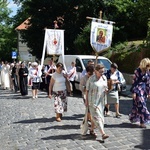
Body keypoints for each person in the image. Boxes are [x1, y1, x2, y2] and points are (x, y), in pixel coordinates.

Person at [85, 64, 109, 140]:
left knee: (95, 117)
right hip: (93, 101)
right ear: (95, 71)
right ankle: (103, 133)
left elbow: (106, 87)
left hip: (101, 101)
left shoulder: (104, 78)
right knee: (98, 117)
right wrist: (86, 101)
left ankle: (91, 130)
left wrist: (106, 90)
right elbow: (87, 90)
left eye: (103, 71)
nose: (102, 73)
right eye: (101, 71)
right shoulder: (91, 79)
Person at [129, 58, 150, 128]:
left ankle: (141, 122)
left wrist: (149, 92)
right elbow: (134, 82)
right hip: (138, 90)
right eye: (147, 65)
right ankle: (147, 116)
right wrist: (134, 92)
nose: (148, 66)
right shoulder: (137, 71)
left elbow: (148, 82)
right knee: (141, 105)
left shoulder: (147, 71)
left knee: (139, 106)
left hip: (144, 91)